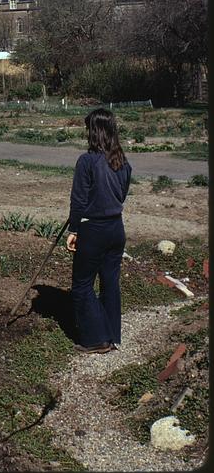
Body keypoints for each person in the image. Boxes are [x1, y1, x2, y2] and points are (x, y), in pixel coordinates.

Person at [66, 108, 132, 354]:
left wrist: (73, 230)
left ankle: (95, 339)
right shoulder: (122, 162)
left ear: (94, 132)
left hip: (93, 229)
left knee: (82, 284)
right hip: (117, 228)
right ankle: (112, 335)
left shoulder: (87, 161)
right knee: (110, 282)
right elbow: (121, 195)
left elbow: (79, 199)